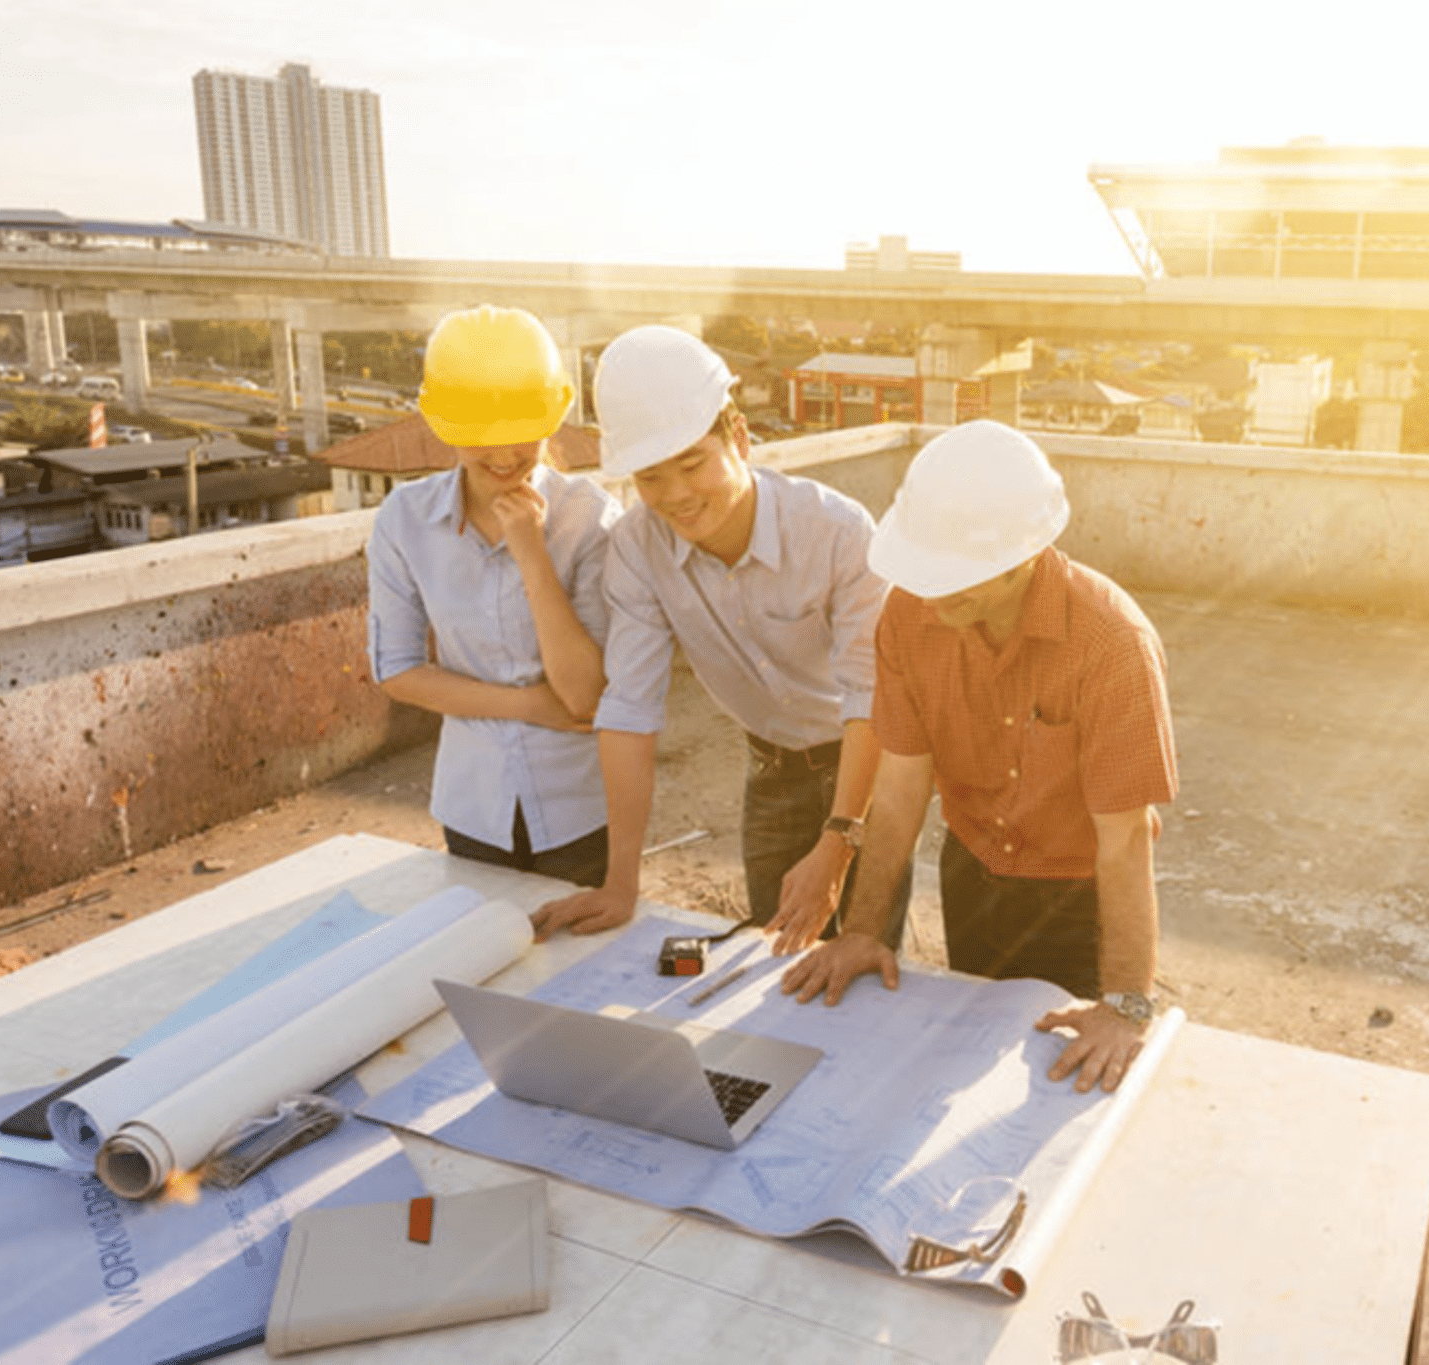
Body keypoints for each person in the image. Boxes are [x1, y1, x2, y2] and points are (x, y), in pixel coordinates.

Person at [781, 421, 1178, 1094]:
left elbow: (1123, 839)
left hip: (1077, 903)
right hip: (972, 878)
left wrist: (1125, 1005)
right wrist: (862, 929)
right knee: (970, 1075)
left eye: (957, 577)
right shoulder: (906, 617)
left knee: (1063, 1089)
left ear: (1029, 551)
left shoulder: (1112, 644)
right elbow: (902, 785)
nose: (935, 593)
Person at [530, 326, 907, 948]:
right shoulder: (635, 548)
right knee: (772, 961)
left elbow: (873, 700)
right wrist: (620, 882)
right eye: (650, 478)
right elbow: (629, 707)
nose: (676, 496)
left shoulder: (837, 532)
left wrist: (839, 843)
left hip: (866, 764)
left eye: (691, 463)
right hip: (771, 766)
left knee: (864, 959)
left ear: (739, 438)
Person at [367, 305, 620, 886]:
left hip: (579, 806)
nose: (506, 457)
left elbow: (583, 695)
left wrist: (531, 551)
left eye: (523, 436)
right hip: (471, 804)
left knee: (582, 969)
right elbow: (397, 670)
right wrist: (528, 705)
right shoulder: (404, 520)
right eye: (483, 440)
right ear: (446, 427)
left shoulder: (590, 518)